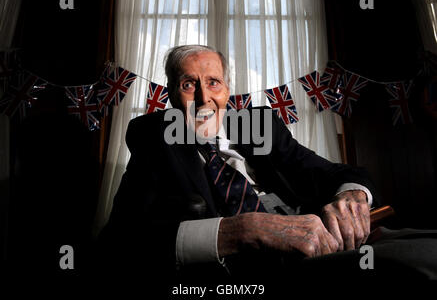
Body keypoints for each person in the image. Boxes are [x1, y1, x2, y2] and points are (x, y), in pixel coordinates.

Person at [100, 45, 437, 286]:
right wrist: (242, 231)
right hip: (264, 273)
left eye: (213, 82)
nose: (204, 98)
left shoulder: (259, 127)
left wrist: (352, 198)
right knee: (420, 263)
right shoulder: (155, 138)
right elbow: (120, 243)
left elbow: (335, 173)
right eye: (189, 84)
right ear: (171, 95)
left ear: (228, 90)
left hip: (330, 243)